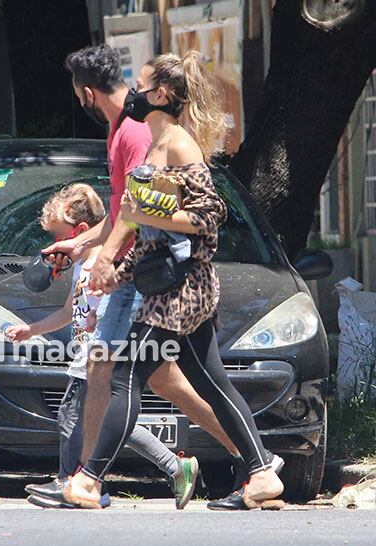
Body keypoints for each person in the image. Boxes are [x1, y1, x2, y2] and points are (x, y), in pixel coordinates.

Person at [40, 51, 285, 510]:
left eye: (141, 84)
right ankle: (261, 473)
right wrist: (116, 270)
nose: (132, 92)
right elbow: (154, 236)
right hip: (166, 282)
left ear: (162, 95)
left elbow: (212, 214)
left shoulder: (178, 143)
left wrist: (146, 211)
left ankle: (89, 481)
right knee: (210, 382)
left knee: (124, 374)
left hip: (183, 291)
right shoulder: (153, 145)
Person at [5, 184, 199, 510]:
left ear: (80, 231)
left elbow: (115, 307)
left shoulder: (105, 264)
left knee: (71, 415)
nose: (56, 247)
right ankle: (173, 466)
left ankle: (74, 481)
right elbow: (69, 312)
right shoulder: (80, 267)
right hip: (86, 354)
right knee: (108, 421)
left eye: (58, 236)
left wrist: (99, 319)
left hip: (97, 357)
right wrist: (31, 329)